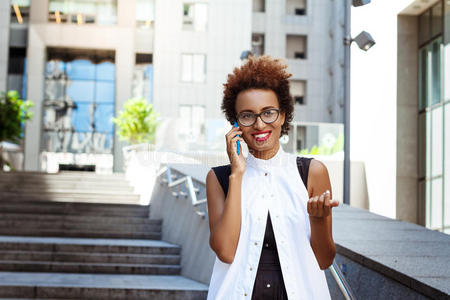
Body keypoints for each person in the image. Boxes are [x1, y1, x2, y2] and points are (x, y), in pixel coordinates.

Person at [205, 55, 339, 299]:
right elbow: (225, 251)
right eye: (247, 115)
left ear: (283, 116)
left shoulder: (312, 172)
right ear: (235, 124)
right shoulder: (220, 178)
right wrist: (237, 175)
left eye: (268, 113)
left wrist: (319, 220)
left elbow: (323, 260)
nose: (259, 124)